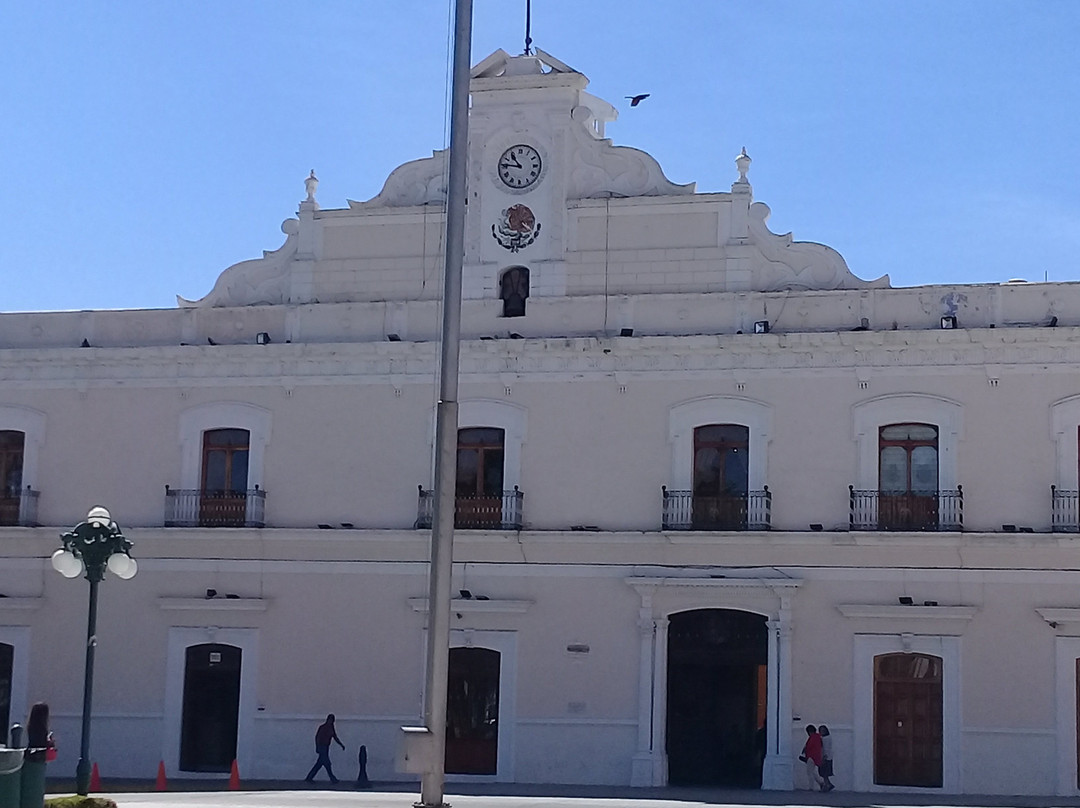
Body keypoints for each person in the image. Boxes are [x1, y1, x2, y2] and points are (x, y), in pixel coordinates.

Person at [305, 714, 345, 783]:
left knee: (319, 764)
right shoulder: (323, 727)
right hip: (322, 747)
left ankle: (309, 778)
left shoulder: (331, 728)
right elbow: (317, 738)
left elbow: (335, 737)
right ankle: (333, 778)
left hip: (326, 747)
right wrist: (317, 747)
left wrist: (341, 744)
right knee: (327, 763)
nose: (332, 722)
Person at [799, 724, 824, 791]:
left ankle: (812, 786)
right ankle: (821, 782)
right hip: (817, 756)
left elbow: (808, 747)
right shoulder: (819, 737)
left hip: (811, 757)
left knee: (810, 772)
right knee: (813, 771)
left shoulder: (812, 737)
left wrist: (804, 752)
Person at [819, 724, 835, 791]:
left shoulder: (825, 739)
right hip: (829, 757)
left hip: (825, 757)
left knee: (824, 773)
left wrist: (823, 757)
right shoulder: (828, 737)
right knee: (825, 773)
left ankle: (827, 785)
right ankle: (828, 784)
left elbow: (825, 748)